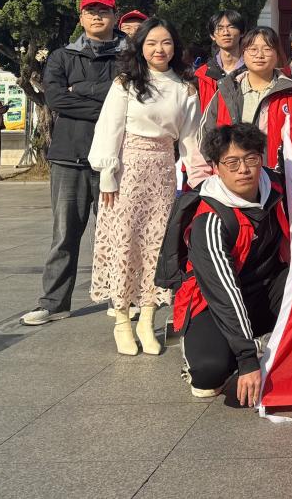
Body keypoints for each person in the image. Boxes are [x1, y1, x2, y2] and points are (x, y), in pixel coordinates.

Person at [88, 18, 202, 356]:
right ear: (140, 47)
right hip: (127, 170)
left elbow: (191, 139)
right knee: (126, 242)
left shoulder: (185, 88)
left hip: (163, 172)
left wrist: (200, 179)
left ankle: (148, 317)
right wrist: (107, 173)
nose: (159, 49)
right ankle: (122, 319)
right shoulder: (126, 83)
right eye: (151, 43)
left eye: (166, 42)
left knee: (157, 245)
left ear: (175, 47)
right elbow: (109, 127)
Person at [21, 0, 126, 327]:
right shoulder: (61, 56)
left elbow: (132, 98)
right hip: (70, 157)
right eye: (90, 11)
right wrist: (108, 104)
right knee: (64, 234)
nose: (97, 16)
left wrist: (79, 89)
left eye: (103, 11)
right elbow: (56, 100)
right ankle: (54, 302)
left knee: (117, 234)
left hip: (116, 157)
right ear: (81, 18)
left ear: (115, 16)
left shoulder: (129, 56)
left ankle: (121, 299)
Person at [173, 123, 289, 404]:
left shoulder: (278, 187)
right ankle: (243, 345)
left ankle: (261, 339)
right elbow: (224, 293)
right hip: (214, 302)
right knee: (208, 375)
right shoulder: (209, 219)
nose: (244, 170)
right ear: (216, 167)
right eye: (232, 162)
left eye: (251, 159)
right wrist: (247, 360)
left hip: (265, 289)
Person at [193, 27, 292, 183]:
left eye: (267, 49)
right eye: (253, 49)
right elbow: (205, 137)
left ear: (277, 54)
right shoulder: (226, 92)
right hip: (229, 182)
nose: (259, 55)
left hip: (277, 182)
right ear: (243, 54)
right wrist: (210, 178)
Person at [196, 10, 247, 108]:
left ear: (242, 32)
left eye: (231, 27)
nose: (226, 32)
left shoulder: (253, 71)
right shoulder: (204, 75)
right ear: (212, 36)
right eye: (220, 28)